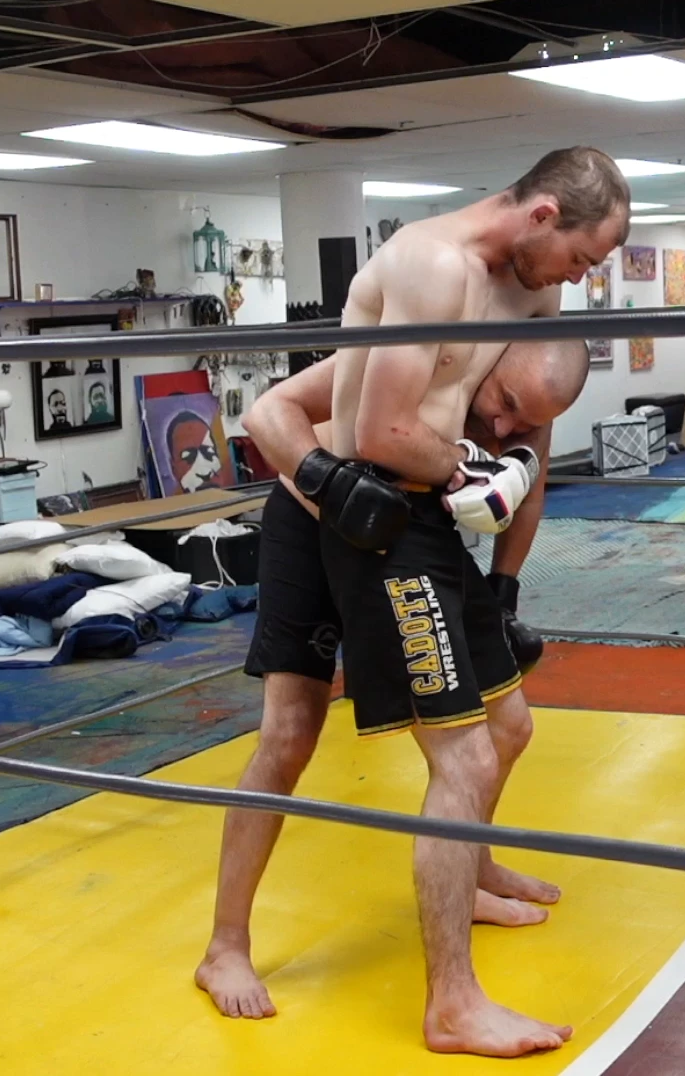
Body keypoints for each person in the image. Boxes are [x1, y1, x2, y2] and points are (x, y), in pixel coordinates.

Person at [199, 146, 628, 1059]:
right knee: (297, 734)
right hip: (338, 509)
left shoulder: (532, 297)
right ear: (543, 216)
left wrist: (504, 584)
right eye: (581, 258)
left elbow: (530, 454)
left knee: (507, 726)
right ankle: (234, 947)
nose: (578, 279)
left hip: (415, 514)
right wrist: (460, 468)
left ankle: (464, 872)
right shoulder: (432, 268)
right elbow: (355, 429)